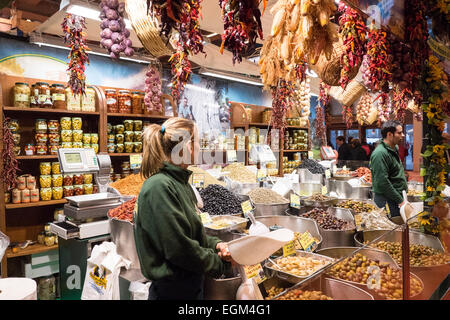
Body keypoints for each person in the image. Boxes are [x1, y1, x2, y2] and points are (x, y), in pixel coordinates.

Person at [134, 117, 233, 300]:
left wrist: (216, 244)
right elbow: (179, 249)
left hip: (188, 287)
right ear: (187, 147)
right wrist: (219, 264)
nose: (201, 148)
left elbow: (191, 233)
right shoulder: (159, 187)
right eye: (198, 142)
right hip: (171, 293)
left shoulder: (180, 183)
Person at [370, 120, 408, 218]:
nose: (403, 135)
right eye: (399, 133)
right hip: (387, 200)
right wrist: (400, 200)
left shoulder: (394, 147)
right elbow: (383, 182)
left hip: (396, 198)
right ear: (389, 134)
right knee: (392, 229)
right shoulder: (380, 154)